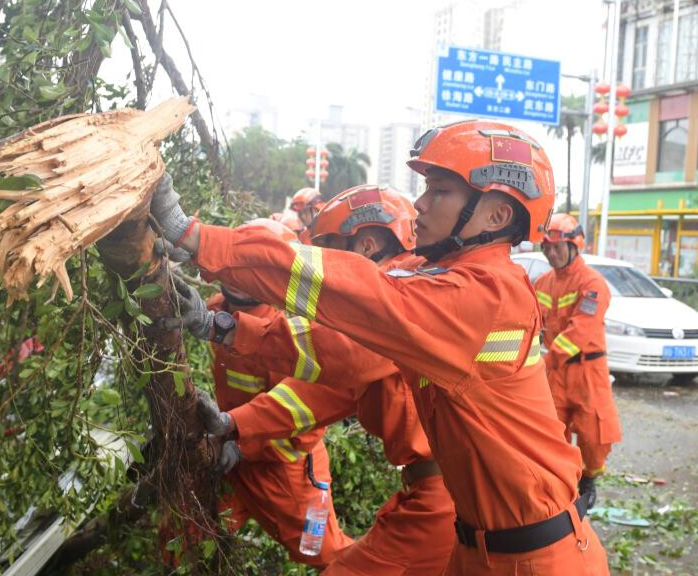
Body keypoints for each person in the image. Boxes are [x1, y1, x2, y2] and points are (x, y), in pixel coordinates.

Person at [150, 119, 610, 574]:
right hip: (480, 542)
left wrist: (199, 239)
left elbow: (365, 300)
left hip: (530, 554)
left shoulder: (483, 295)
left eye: (440, 191)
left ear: (496, 215)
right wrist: (229, 331)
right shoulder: (446, 285)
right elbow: (339, 351)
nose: (421, 203)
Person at [176, 185, 456, 575]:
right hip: (436, 494)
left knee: (328, 558)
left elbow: (328, 361)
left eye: (332, 254)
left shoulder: (401, 301)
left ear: (368, 245)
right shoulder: (395, 304)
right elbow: (318, 392)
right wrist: (233, 425)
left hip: (295, 471)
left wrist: (221, 327)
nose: (328, 273)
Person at [193, 217, 357, 569]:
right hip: (232, 457)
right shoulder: (217, 308)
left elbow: (304, 423)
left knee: (327, 556)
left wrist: (241, 444)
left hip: (288, 471)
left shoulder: (292, 333)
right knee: (188, 536)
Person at [535, 213, 622, 510]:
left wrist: (545, 362)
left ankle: (588, 479)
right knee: (551, 429)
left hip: (587, 370)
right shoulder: (543, 282)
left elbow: (580, 330)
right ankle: (560, 482)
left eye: (557, 246)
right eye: (546, 247)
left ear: (575, 246)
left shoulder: (592, 283)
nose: (551, 252)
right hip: (554, 372)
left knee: (593, 432)